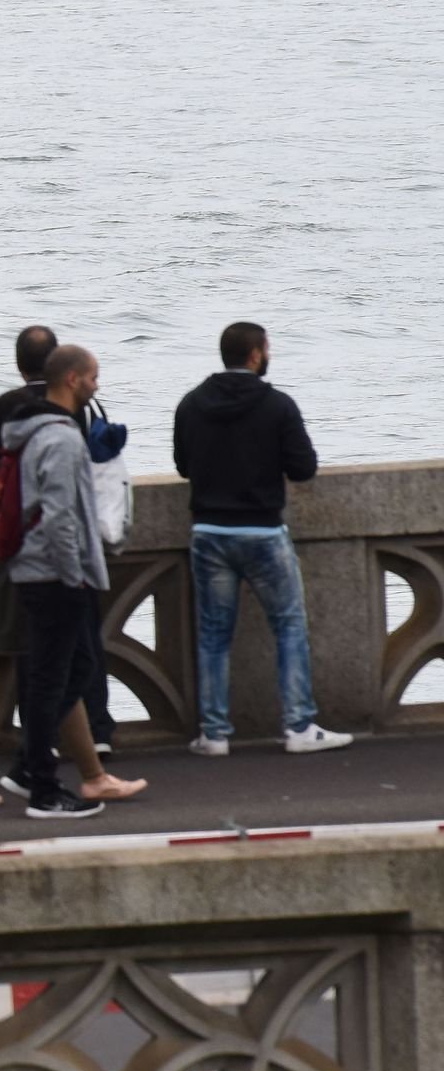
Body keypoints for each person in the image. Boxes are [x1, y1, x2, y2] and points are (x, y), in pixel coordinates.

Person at [174, 320, 349, 758]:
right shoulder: (278, 406)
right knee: (288, 626)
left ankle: (214, 734)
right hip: (263, 531)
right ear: (255, 355)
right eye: (267, 348)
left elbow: (183, 465)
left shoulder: (192, 404)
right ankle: (299, 726)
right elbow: (303, 468)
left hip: (209, 531)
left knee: (214, 634)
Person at [7, 345, 122, 820]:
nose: (97, 385)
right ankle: (43, 788)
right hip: (54, 575)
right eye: (93, 376)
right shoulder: (60, 437)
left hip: (40, 570)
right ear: (72, 379)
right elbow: (58, 516)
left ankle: (27, 765)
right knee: (54, 677)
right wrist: (74, 576)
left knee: (71, 670)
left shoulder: (31, 431)